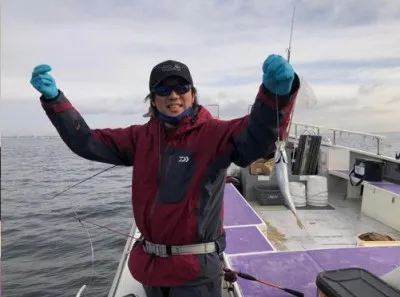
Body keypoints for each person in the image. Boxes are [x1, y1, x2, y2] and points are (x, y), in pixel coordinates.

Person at [30, 54, 300, 297]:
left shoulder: (216, 133)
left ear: (193, 94)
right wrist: (56, 102)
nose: (173, 95)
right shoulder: (139, 138)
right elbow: (86, 141)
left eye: (181, 87)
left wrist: (272, 95)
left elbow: (257, 138)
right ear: (153, 98)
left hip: (196, 275)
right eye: (163, 88)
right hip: (152, 269)